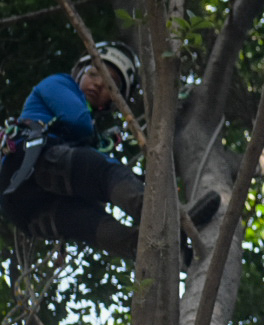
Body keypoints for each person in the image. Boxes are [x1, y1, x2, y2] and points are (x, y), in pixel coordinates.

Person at [3, 41, 217, 261]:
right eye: (94, 74)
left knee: (91, 221)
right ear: (80, 71)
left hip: (24, 210)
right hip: (32, 161)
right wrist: (97, 142)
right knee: (108, 173)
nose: (98, 84)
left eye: (109, 84)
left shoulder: (85, 133)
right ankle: (170, 219)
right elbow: (79, 122)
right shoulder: (60, 83)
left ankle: (154, 252)